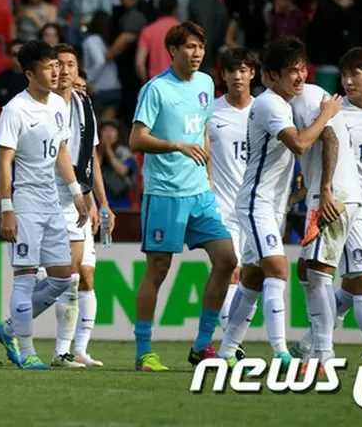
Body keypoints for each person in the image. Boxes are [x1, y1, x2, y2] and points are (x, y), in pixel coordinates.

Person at [225, 37, 340, 368]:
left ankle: (227, 350)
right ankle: (281, 353)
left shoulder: (283, 103)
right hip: (256, 204)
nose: (300, 77)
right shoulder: (270, 103)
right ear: (271, 76)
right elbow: (301, 144)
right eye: (292, 71)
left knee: (252, 280)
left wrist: (295, 194)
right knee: (278, 269)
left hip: (271, 205)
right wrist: (327, 114)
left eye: (303, 68)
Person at [128, 22, 237, 371]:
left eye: (201, 47)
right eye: (189, 47)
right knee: (158, 270)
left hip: (199, 193)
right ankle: (144, 351)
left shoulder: (206, 83)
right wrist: (176, 145)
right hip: (165, 193)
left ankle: (203, 345)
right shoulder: (156, 89)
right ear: (173, 50)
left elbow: (202, 128)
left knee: (227, 259)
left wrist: (207, 174)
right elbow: (136, 139)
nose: (197, 54)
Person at [0, 40, 89, 370]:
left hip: (52, 203)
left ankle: (8, 329)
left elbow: (62, 151)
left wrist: (76, 192)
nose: (58, 71)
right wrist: (7, 208)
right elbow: (5, 161)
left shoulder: (59, 106)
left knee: (63, 279)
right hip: (26, 205)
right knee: (25, 279)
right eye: (50, 67)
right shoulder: (15, 109)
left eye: (58, 65)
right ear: (30, 74)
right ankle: (28, 350)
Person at [291, 47, 362, 368]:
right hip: (344, 205)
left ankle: (309, 343)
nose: (347, 81)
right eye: (344, 74)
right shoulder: (335, 111)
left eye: (355, 74)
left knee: (349, 288)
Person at [287, 81, 361, 371]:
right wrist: (296, 197)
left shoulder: (306, 98)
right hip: (327, 192)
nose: (297, 76)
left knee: (318, 273)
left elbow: (330, 140)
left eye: (300, 69)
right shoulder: (300, 99)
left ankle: (322, 354)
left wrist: (326, 188)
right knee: (307, 270)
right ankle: (315, 347)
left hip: (332, 195)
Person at [49, 44, 114, 368]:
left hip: (80, 199)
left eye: (70, 64)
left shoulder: (85, 104)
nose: (64, 70)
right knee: (64, 276)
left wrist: (101, 202)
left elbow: (91, 158)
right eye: (58, 64)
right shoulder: (43, 105)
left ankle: (78, 349)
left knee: (84, 275)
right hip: (49, 197)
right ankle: (26, 334)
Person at [208, 47, 256, 360]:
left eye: (243, 69)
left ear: (253, 73)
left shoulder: (266, 109)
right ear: (223, 75)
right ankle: (231, 347)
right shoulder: (211, 111)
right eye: (231, 70)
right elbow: (201, 152)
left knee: (254, 278)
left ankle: (231, 342)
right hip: (221, 206)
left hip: (257, 208)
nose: (237, 76)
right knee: (230, 271)